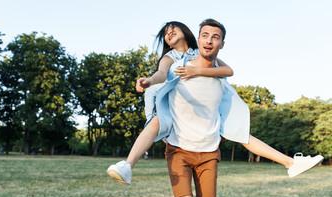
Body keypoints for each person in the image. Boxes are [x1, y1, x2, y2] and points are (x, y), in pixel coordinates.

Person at [106, 21, 323, 185]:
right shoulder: (169, 57)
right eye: (165, 33)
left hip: (204, 108)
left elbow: (228, 71)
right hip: (169, 102)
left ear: (186, 32)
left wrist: (197, 70)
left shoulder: (200, 52)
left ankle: (291, 163)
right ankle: (127, 165)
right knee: (155, 123)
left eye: (173, 28)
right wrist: (148, 81)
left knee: (240, 132)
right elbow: (160, 74)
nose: (169, 33)